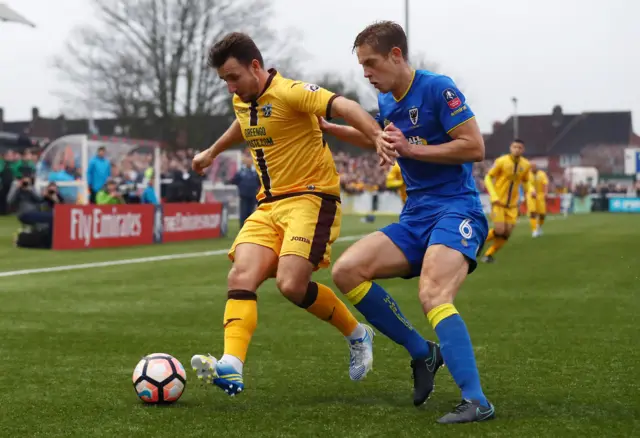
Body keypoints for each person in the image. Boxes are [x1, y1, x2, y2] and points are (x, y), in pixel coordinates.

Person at [189, 32, 392, 397]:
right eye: (224, 80)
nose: (230, 87)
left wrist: (376, 136)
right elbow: (244, 122)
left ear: (256, 66)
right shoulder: (243, 98)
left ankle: (359, 334)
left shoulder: (292, 91)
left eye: (234, 77)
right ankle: (231, 366)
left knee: (291, 285)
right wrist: (212, 152)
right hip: (268, 205)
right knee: (241, 274)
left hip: (311, 199)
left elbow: (344, 106)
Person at [320, 21, 494, 423]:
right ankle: (422, 352)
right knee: (347, 270)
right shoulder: (387, 101)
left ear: (396, 55)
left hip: (456, 209)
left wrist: (412, 150)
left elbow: (475, 147)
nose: (366, 73)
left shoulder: (437, 88)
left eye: (371, 63)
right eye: (362, 66)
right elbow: (383, 138)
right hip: (415, 216)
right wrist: (336, 130)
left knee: (433, 293)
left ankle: (476, 400)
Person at [481, 139, 533, 262]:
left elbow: (526, 181)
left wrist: (531, 190)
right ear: (510, 148)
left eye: (519, 147)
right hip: (499, 202)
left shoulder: (525, 165)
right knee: (499, 230)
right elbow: (488, 177)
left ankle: (488, 255)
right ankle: (476, 244)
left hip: (513, 205)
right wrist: (493, 196)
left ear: (523, 150)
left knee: (507, 233)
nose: (517, 149)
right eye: (515, 147)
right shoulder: (501, 161)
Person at [227, 149, 260, 228]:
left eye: (250, 158)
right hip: (243, 196)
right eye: (247, 158)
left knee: (251, 213)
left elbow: (259, 182)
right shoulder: (241, 171)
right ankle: (242, 229)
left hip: (253, 196)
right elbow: (234, 180)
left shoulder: (255, 171)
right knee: (243, 213)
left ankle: (250, 228)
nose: (248, 160)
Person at [527, 163, 549, 237]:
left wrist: (546, 193)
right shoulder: (527, 174)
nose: (532, 168)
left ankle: (539, 227)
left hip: (540, 194)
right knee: (532, 212)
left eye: (533, 167)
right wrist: (531, 191)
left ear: (536, 167)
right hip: (530, 195)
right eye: (531, 167)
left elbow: (545, 183)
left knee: (542, 214)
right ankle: (534, 230)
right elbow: (527, 184)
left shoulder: (542, 174)